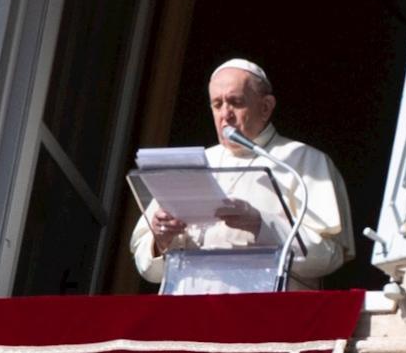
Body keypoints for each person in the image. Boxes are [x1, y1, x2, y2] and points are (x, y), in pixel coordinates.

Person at [131, 59, 354, 290]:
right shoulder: (189, 166)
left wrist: (261, 224)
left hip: (261, 315)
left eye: (235, 102)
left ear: (266, 107)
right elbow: (147, 268)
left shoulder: (301, 161)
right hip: (188, 314)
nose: (225, 114)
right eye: (217, 104)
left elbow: (328, 257)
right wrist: (161, 240)